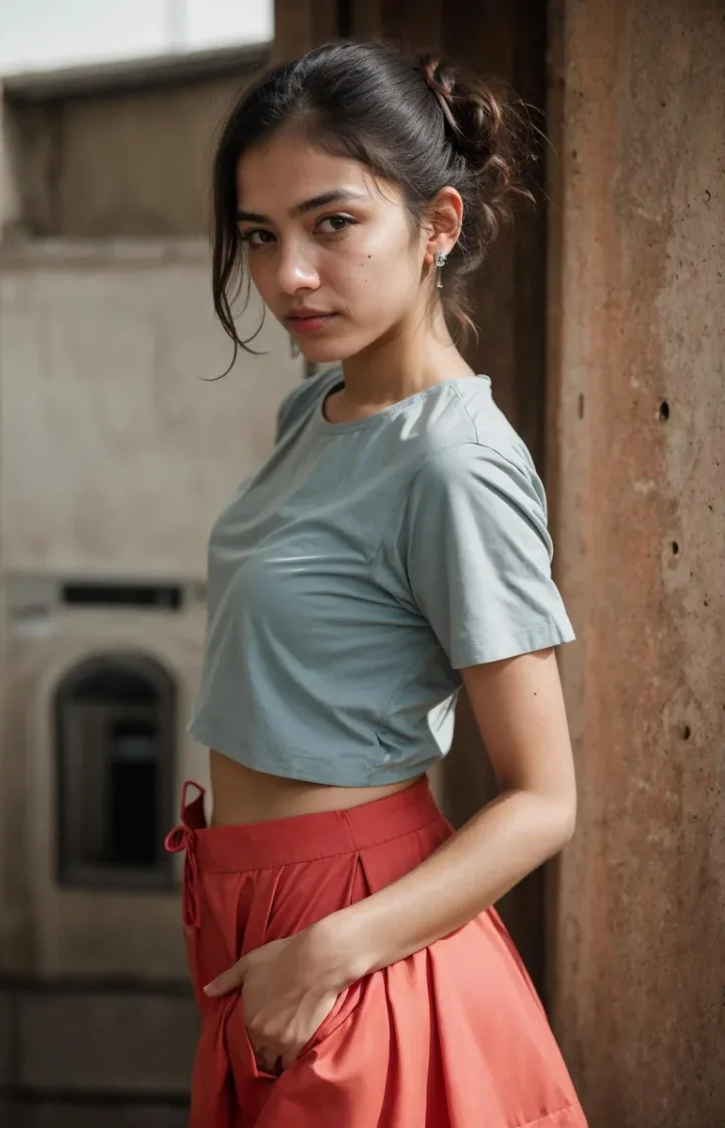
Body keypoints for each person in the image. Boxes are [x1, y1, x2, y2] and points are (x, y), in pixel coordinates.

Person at [165, 38, 588, 1127]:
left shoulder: (454, 463)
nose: (288, 277)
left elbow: (544, 801)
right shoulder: (317, 408)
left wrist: (330, 949)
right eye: (261, 237)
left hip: (359, 933)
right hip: (255, 912)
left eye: (333, 223)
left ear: (436, 226)